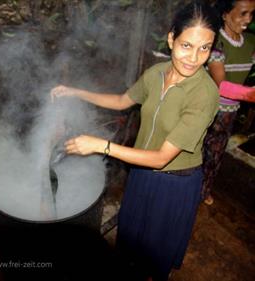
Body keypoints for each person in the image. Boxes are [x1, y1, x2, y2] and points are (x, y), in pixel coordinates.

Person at [50, 2, 219, 280]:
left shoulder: (204, 94)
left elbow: (163, 157)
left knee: (155, 251)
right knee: (131, 238)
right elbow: (121, 101)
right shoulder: (156, 74)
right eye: (186, 45)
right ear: (171, 39)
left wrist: (100, 145)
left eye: (205, 48)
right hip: (142, 169)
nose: (194, 57)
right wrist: (74, 91)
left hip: (173, 183)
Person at [203, 0, 255, 205]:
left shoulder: (249, 43)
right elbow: (222, 87)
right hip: (209, 109)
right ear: (225, 14)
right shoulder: (216, 43)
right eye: (243, 13)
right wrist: (252, 94)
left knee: (215, 154)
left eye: (252, 14)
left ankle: (203, 189)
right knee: (198, 152)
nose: (248, 19)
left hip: (230, 112)